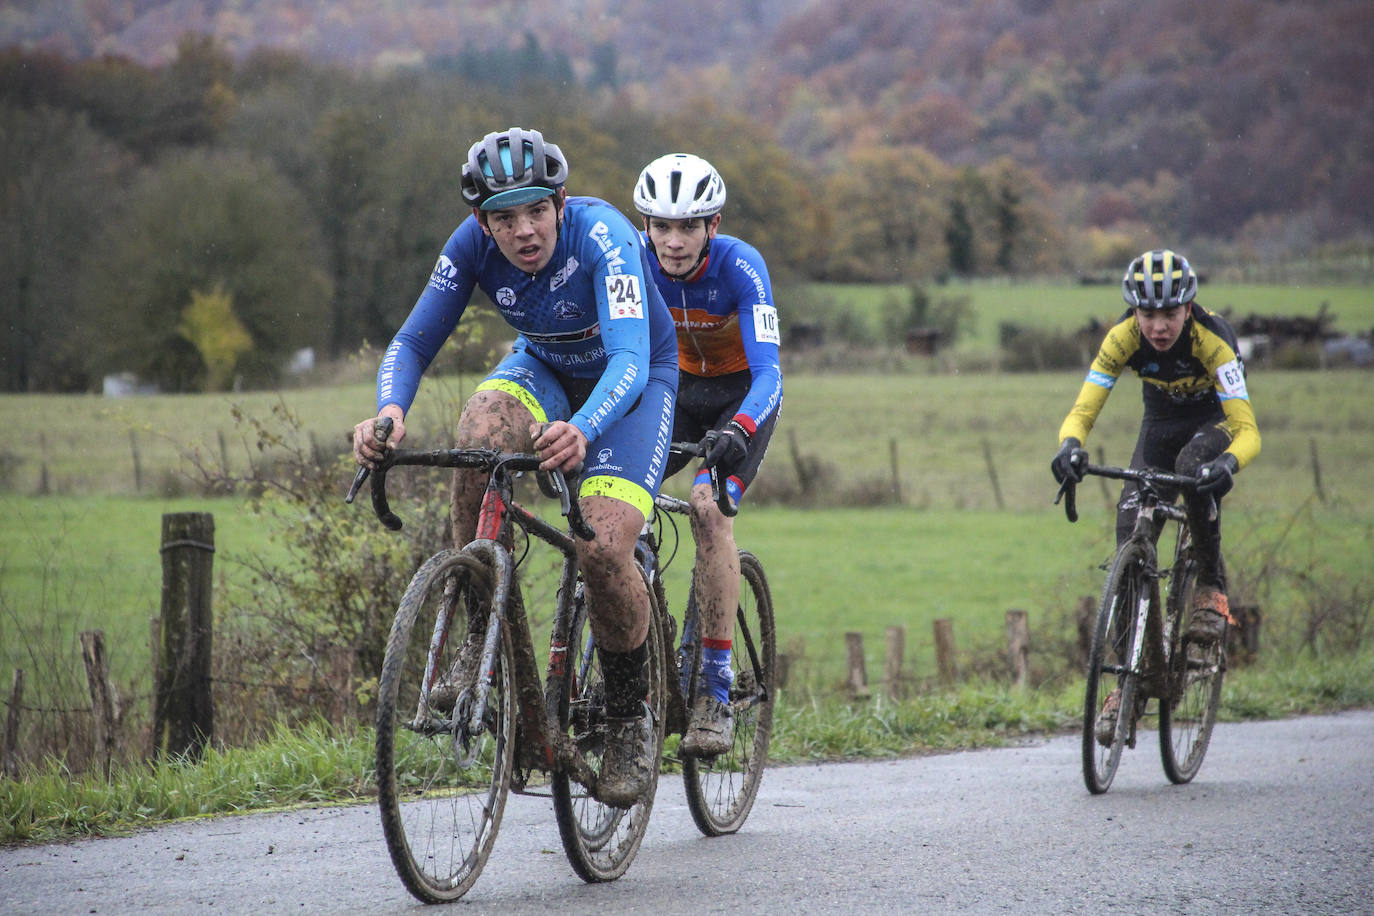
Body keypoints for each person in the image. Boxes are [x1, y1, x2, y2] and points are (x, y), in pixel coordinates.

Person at [353, 128, 679, 807]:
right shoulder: (468, 246)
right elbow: (413, 342)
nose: (524, 230)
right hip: (547, 366)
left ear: (560, 203)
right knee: (478, 432)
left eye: (536, 211)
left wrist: (583, 428)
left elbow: (628, 359)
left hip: (633, 383)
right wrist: (388, 412)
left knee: (601, 547)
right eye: (505, 217)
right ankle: (481, 633)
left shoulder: (605, 237)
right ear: (483, 221)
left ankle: (629, 717)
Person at [1050, 248, 1260, 744]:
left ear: (1187, 308)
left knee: (1193, 470)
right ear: (1135, 311)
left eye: (1169, 313)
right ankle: (1129, 681)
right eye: (1148, 314)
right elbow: (1083, 409)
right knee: (1130, 529)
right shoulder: (1122, 336)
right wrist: (1070, 446)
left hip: (1214, 423)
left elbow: (1248, 431)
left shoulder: (1212, 339)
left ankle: (1210, 588)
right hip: (1160, 428)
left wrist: (1228, 463)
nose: (1158, 326)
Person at [632, 153, 782, 756]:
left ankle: (715, 689)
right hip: (677, 393)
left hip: (740, 400)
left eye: (688, 227)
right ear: (645, 226)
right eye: (661, 226)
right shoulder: (634, 262)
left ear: (712, 226)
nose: (673, 241)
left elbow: (770, 373)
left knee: (707, 508)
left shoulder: (741, 266)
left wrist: (741, 427)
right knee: (615, 498)